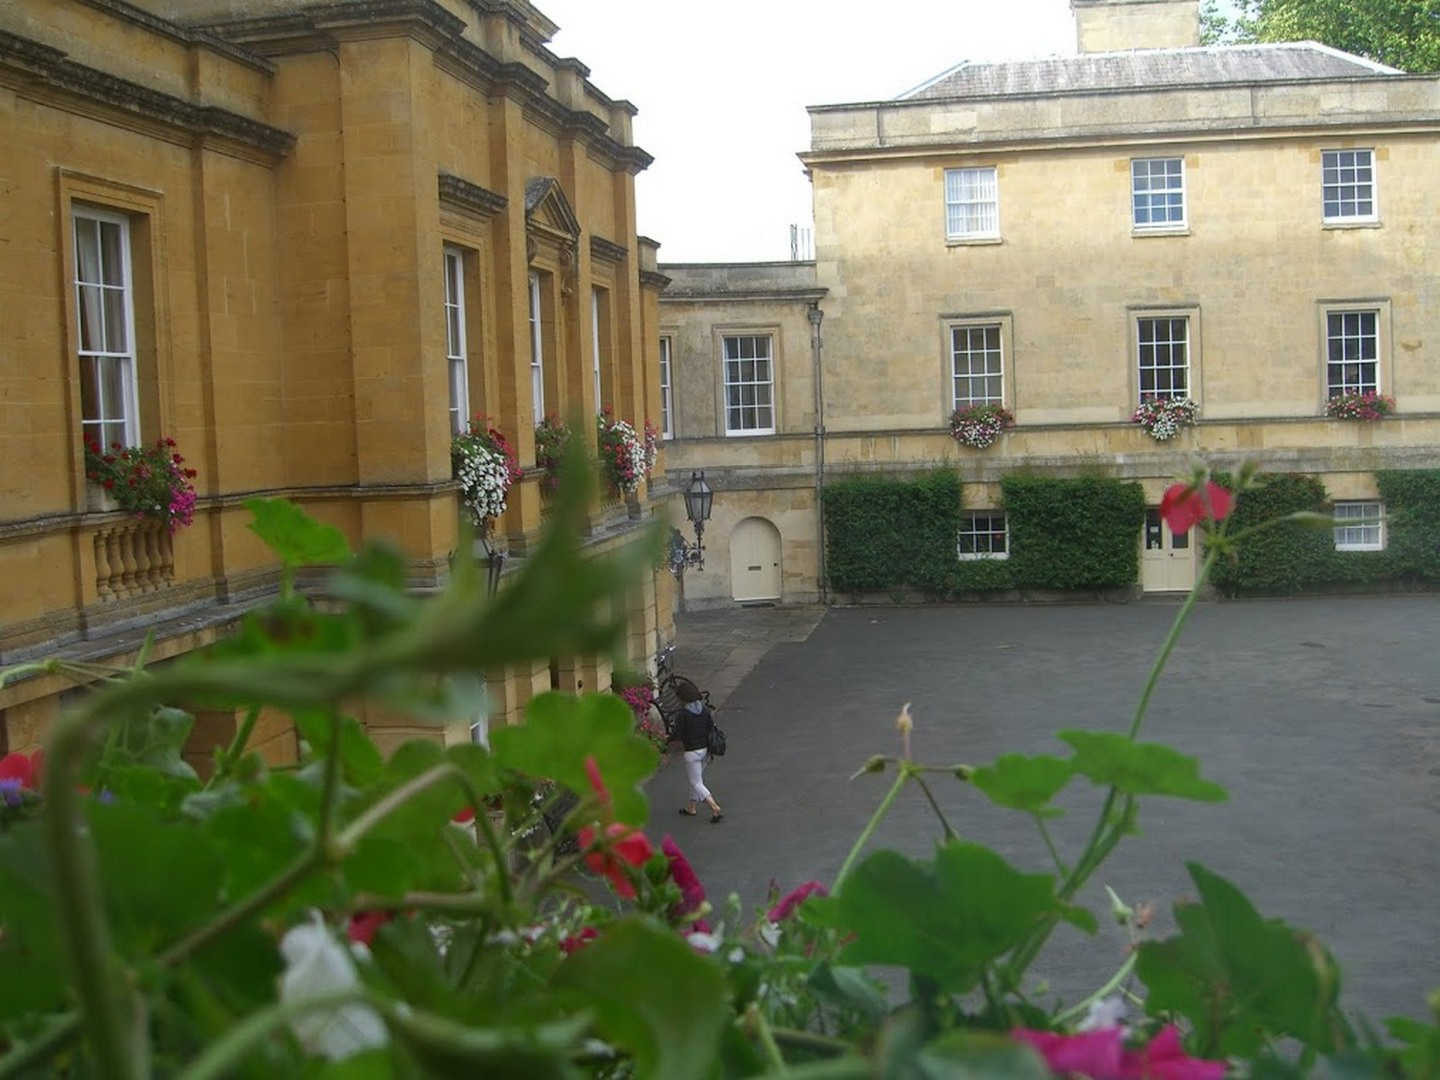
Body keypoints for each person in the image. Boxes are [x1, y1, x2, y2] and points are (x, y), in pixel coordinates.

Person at [672, 681, 723, 823]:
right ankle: (691, 807)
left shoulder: (683, 714)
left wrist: (667, 742)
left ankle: (714, 807)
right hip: (705, 750)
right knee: (696, 780)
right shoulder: (704, 709)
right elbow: (710, 728)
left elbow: (677, 733)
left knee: (696, 783)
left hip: (692, 752)